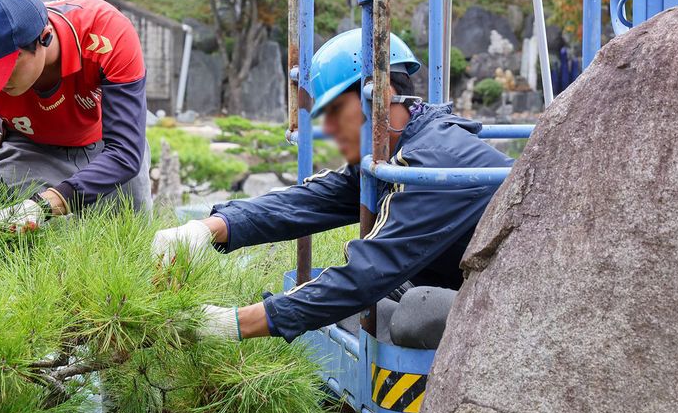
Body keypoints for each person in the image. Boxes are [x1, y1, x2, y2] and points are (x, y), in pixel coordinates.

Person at [151, 29, 513, 342]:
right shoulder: (398, 149)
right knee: (339, 293)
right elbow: (311, 200)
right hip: (462, 282)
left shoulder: (432, 163)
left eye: (337, 113)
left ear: (381, 95)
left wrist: (230, 323)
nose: (331, 130)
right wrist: (208, 228)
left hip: (511, 304)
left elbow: (365, 273)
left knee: (415, 312)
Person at [0, 0, 151, 231]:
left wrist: (46, 204)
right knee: (26, 250)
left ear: (44, 37)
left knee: (131, 245)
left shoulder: (105, 30)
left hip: (109, 149)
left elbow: (125, 151)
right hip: (29, 149)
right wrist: (10, 215)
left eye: (5, 67)